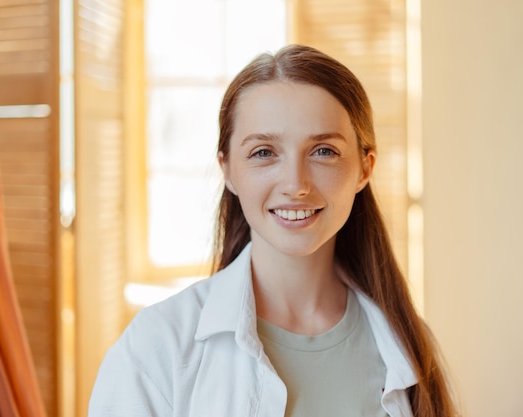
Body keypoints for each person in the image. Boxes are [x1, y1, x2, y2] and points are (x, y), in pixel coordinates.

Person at [89, 44, 458, 417]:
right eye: (264, 152)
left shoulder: (408, 344)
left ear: (364, 169)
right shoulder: (155, 348)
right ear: (228, 169)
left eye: (324, 151)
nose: (296, 184)